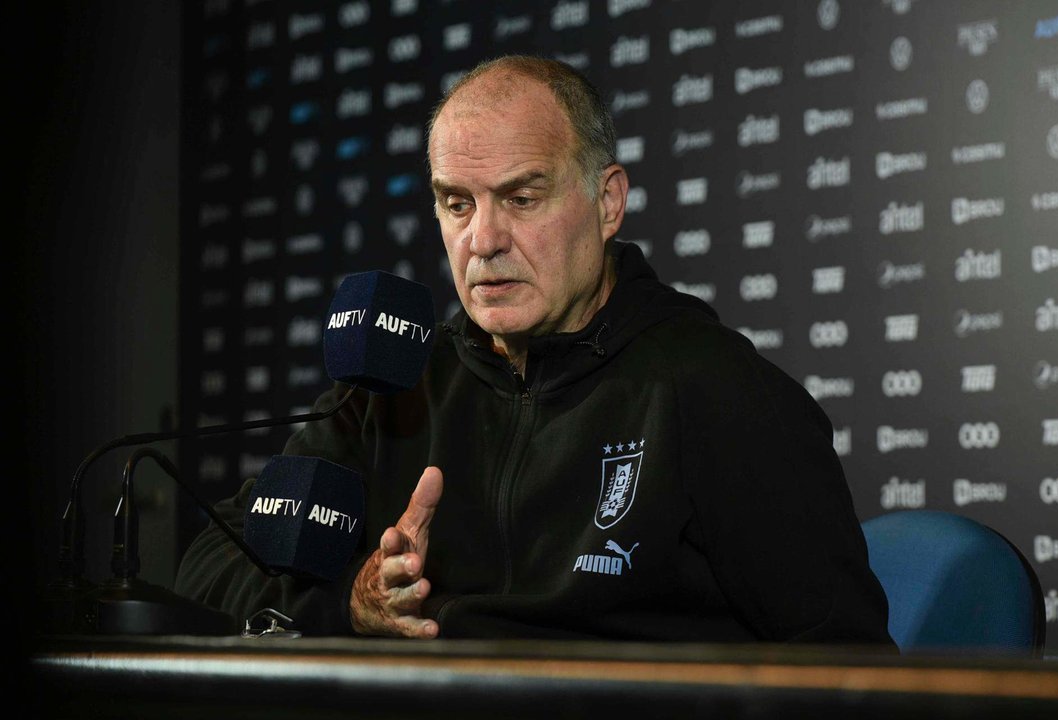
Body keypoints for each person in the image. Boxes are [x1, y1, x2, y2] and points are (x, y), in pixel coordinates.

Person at [175, 55, 896, 648]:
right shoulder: (396, 382)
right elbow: (212, 560)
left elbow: (849, 671)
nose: (482, 242)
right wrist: (352, 607)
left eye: (521, 198)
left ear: (607, 202)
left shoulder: (717, 392)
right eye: (458, 204)